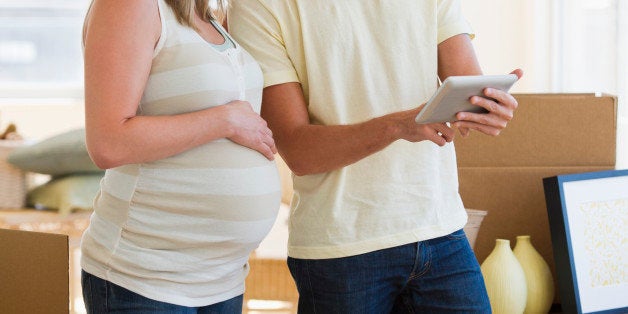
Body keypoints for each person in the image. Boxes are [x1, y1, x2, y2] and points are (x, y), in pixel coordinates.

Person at [229, 1, 523, 313]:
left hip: (439, 229)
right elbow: (299, 151)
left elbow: (466, 86)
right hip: (340, 247)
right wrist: (396, 126)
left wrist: (488, 106)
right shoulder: (256, 6)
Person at [80, 0, 281, 312]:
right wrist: (225, 120)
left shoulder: (207, 16)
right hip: (144, 278)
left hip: (223, 279)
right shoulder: (130, 5)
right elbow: (108, 143)